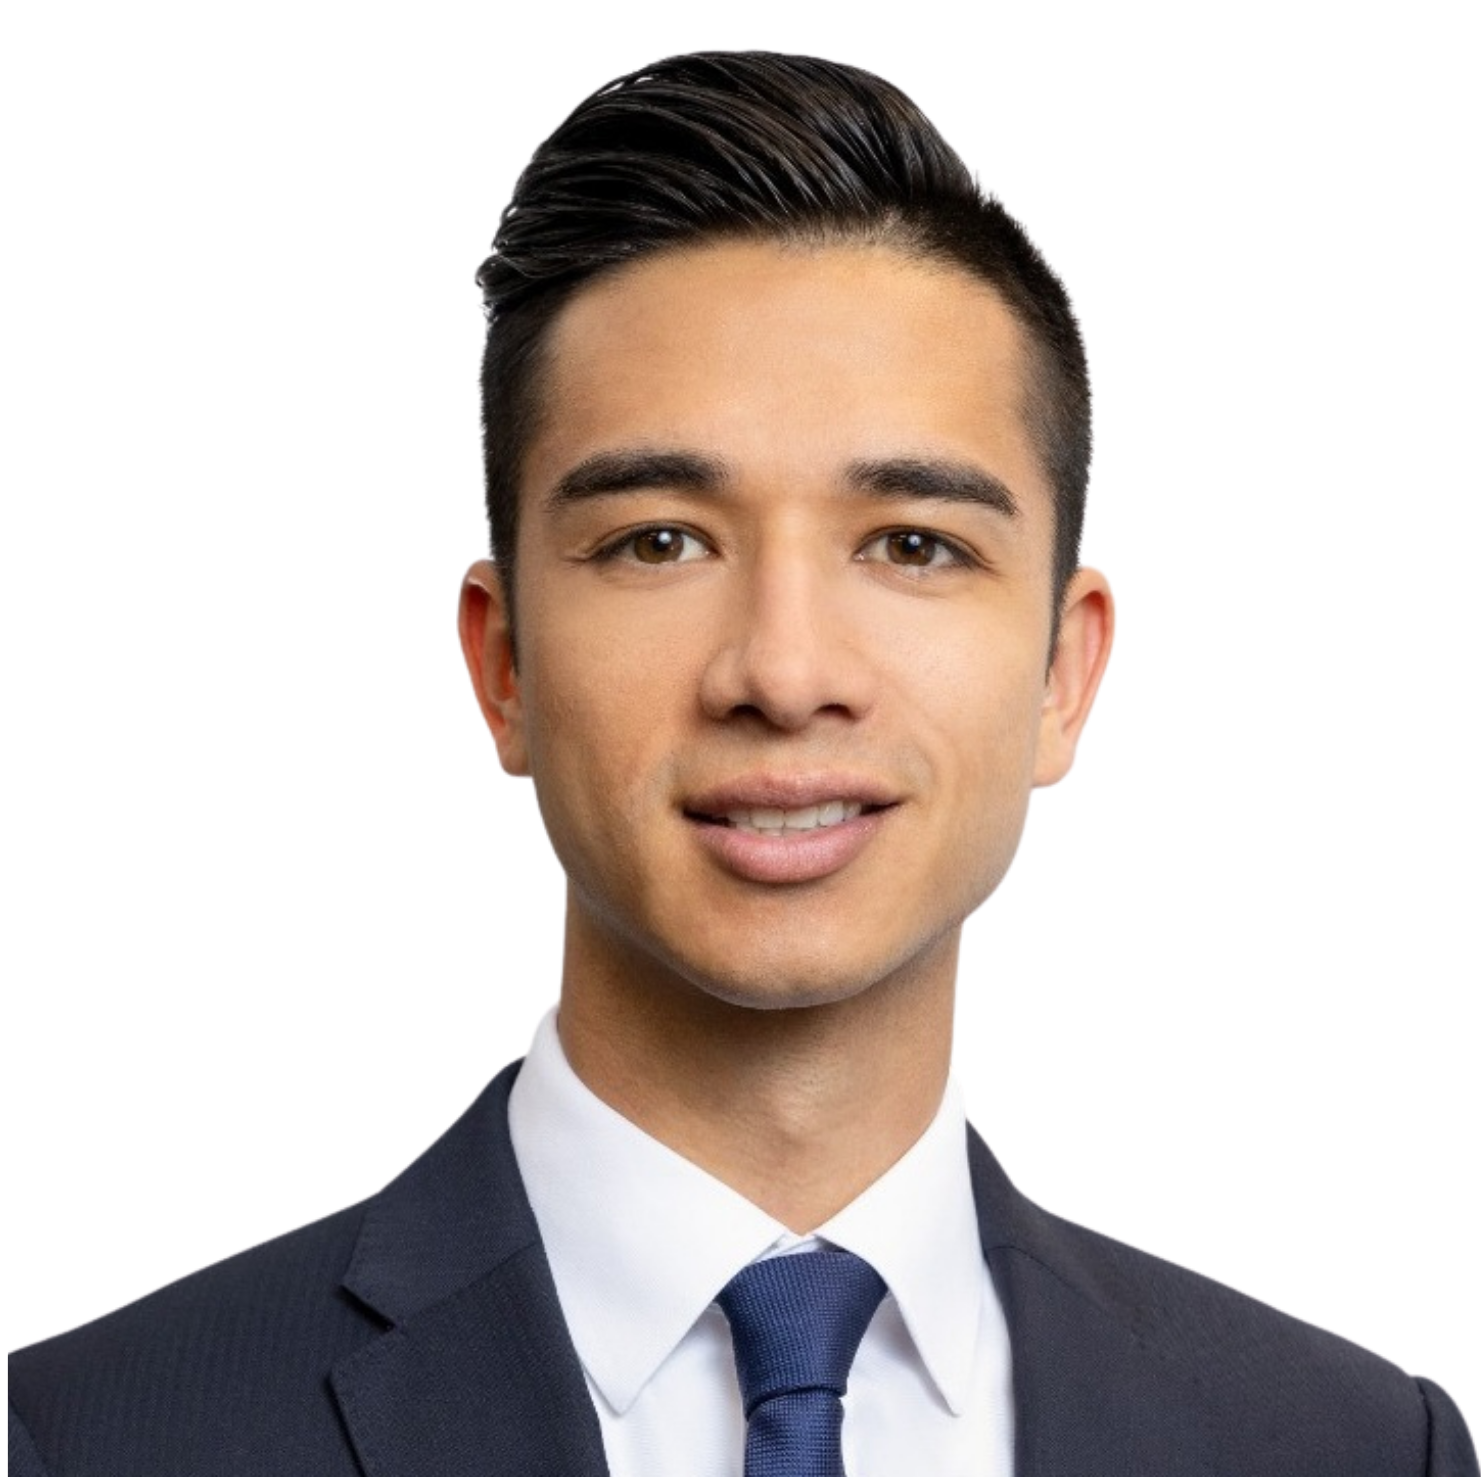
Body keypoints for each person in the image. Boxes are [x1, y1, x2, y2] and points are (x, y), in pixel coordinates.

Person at [7, 49, 1475, 1479]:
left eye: (913, 546)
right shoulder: (83, 1442)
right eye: (660, 541)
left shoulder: (1349, 1449)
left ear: (1061, 674)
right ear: (501, 662)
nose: (782, 672)